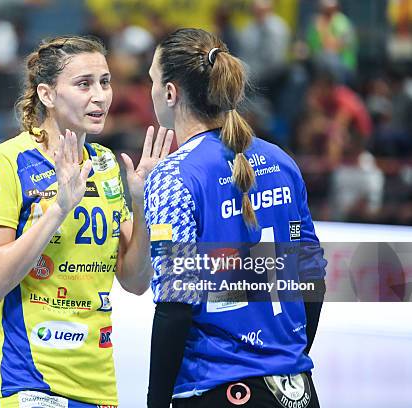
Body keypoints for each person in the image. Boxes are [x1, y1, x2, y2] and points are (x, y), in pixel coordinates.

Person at [0, 35, 173, 408]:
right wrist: (58, 210)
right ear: (46, 94)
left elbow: (135, 280)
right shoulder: (4, 163)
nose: (100, 96)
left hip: (98, 384)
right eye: (84, 84)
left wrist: (142, 204)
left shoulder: (107, 165)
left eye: (105, 82)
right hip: (25, 381)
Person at [143, 28, 327, 407]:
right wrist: (283, 358)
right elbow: (312, 276)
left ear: (170, 93)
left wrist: (156, 400)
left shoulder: (174, 175)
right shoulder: (281, 161)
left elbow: (176, 304)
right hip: (296, 391)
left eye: (152, 81)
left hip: (217, 388)